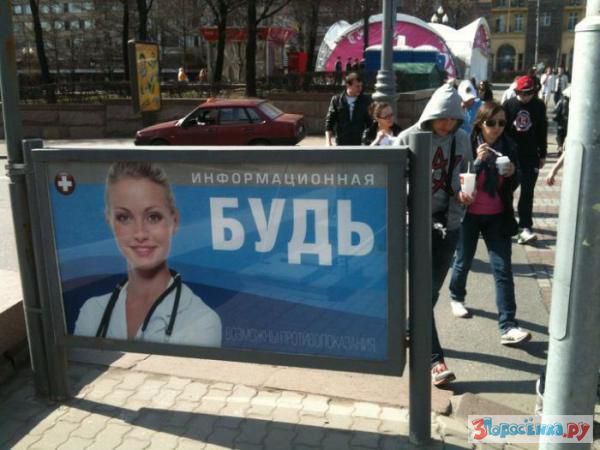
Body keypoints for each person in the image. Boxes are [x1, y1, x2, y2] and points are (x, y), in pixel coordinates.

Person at [74, 162, 222, 346]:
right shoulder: (92, 312)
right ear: (109, 221)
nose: (140, 234)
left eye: (153, 217)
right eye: (124, 217)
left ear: (174, 221)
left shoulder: (202, 321)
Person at [393, 83, 474, 386]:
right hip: (413, 224)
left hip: (449, 224)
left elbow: (467, 172)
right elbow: (392, 178)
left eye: (453, 119)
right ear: (431, 113)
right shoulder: (407, 137)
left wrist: (466, 193)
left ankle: (411, 326)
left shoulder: (462, 138)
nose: (447, 124)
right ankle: (435, 361)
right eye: (443, 118)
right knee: (422, 291)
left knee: (429, 292)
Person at [448, 101, 532, 345]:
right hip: (469, 214)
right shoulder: (466, 144)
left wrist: (513, 173)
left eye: (502, 123)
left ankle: (508, 326)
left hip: (498, 215)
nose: (496, 128)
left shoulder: (509, 146)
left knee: (503, 269)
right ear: (480, 123)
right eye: (491, 123)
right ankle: (456, 297)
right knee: (463, 260)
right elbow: (459, 179)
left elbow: (515, 181)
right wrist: (477, 161)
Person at [503, 75, 547, 245]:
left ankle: (525, 226)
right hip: (512, 156)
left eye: (528, 93)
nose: (525, 96)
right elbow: (503, 130)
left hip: (531, 156)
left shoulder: (539, 106)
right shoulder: (509, 105)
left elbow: (542, 130)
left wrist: (542, 154)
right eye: (521, 93)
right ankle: (505, 221)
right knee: (507, 190)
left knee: (527, 193)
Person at [325, 72, 372, 146]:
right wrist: (328, 142)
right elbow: (329, 122)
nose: (360, 89)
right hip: (341, 142)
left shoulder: (365, 101)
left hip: (360, 143)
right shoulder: (337, 100)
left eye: (361, 86)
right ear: (348, 85)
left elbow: (370, 123)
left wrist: (369, 141)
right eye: (357, 86)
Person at [553, 86, 570, 155]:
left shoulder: (561, 101)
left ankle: (559, 148)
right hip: (568, 123)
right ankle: (563, 149)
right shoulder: (575, 103)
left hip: (561, 122)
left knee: (559, 136)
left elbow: (555, 109)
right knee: (565, 136)